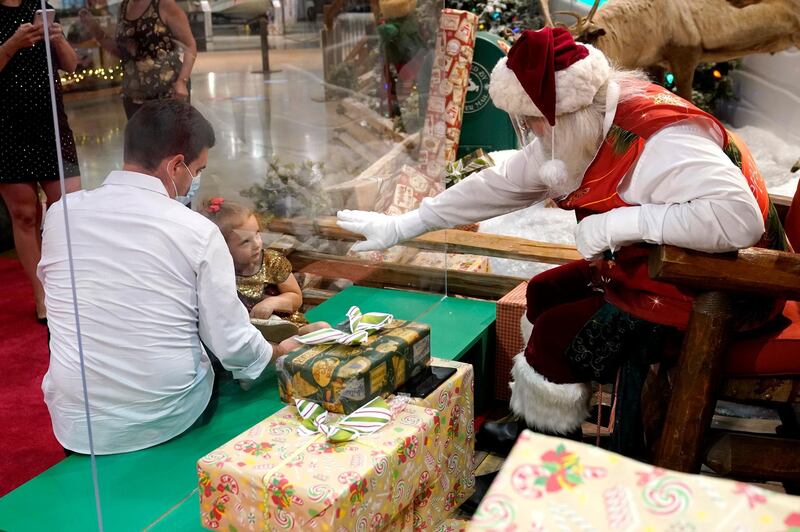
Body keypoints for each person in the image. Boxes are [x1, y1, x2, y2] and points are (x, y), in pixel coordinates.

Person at [338, 27, 786, 476]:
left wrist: (618, 223)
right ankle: (542, 430)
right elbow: (504, 182)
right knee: (543, 292)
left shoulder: (662, 143)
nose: (530, 133)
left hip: (726, 290)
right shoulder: (587, 122)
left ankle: (551, 470)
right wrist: (404, 224)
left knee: (557, 334)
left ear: (565, 111)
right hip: (659, 269)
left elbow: (738, 219)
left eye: (532, 121)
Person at [38, 100, 286, 455]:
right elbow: (232, 345)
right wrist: (280, 352)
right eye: (197, 169)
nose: (196, 181)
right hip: (166, 415)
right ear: (175, 166)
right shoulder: (195, 230)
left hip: (79, 420)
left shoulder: (60, 214)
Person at [0, 0, 81, 323]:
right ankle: (42, 296)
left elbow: (72, 65)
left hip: (51, 125)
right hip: (8, 126)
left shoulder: (41, 6)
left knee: (69, 208)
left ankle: (71, 285)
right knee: (24, 215)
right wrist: (11, 44)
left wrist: (59, 39)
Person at [202, 198, 329, 342]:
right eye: (245, 241)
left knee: (315, 329)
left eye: (257, 233)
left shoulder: (272, 261)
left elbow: (296, 297)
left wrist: (272, 302)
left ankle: (300, 336)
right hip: (249, 335)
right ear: (223, 248)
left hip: (287, 325)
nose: (256, 244)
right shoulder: (220, 274)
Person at [79, 0, 196, 119]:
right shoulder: (124, 6)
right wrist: (96, 31)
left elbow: (190, 45)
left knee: (170, 135)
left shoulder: (164, 4)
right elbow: (123, 52)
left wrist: (182, 82)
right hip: (134, 92)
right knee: (138, 136)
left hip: (167, 91)